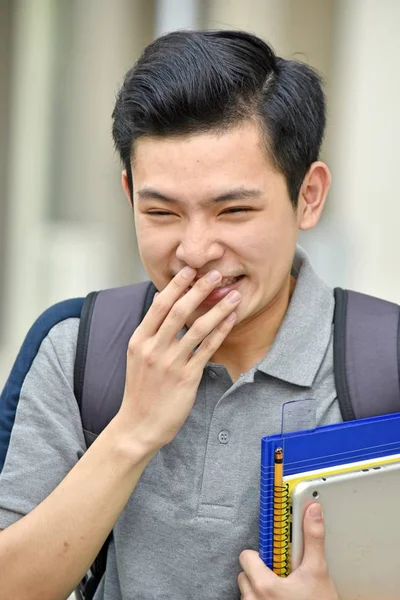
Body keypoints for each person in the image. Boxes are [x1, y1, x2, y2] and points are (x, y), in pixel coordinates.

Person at [0, 29, 341, 599]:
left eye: (233, 210)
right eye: (161, 211)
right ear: (129, 192)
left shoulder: (384, 362)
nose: (195, 249)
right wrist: (134, 429)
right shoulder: (74, 350)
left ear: (307, 196)